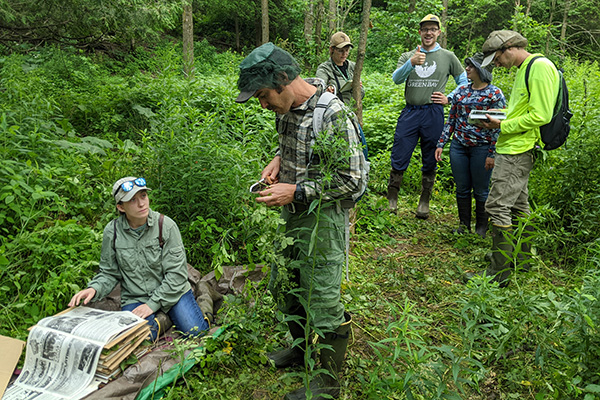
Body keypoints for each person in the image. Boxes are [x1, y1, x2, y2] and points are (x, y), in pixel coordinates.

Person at [235, 43, 367, 400]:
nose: (262, 104)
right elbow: (293, 145)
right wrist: (277, 161)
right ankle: (299, 350)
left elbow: (352, 180)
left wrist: (295, 192)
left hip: (322, 219)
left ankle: (328, 381)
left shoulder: (334, 114)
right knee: (288, 284)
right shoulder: (287, 108)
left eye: (263, 95)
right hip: (292, 214)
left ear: (282, 80)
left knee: (321, 296)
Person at [68, 177, 209, 340]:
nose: (142, 204)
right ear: (121, 207)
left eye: (143, 196)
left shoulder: (166, 226)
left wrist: (151, 305)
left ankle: (203, 300)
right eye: (132, 200)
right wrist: (93, 289)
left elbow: (176, 275)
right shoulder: (112, 232)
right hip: (136, 296)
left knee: (196, 332)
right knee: (139, 339)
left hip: (173, 292)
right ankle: (165, 319)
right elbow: (109, 273)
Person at [472, 30, 560, 285]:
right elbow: (524, 110)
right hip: (513, 146)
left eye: (497, 59)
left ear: (508, 47)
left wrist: (501, 125)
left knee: (497, 206)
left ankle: (498, 275)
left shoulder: (540, 67)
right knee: (520, 209)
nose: (496, 65)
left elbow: (541, 115)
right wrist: (500, 116)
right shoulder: (525, 68)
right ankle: (520, 263)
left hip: (518, 151)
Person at [387, 14, 468, 218]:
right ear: (420, 32)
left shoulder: (448, 57)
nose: (429, 33)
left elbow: (464, 82)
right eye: (425, 29)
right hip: (410, 111)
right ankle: (391, 199)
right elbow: (396, 79)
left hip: (433, 112)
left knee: (431, 153)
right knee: (400, 150)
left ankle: (424, 201)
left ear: (439, 32)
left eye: (433, 29)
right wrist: (412, 63)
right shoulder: (408, 56)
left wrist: (449, 97)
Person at [435, 53, 506, 237]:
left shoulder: (494, 94)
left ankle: (481, 228)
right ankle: (463, 225)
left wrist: (492, 153)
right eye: (467, 65)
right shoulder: (461, 91)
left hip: (482, 148)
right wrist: (441, 143)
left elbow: (500, 126)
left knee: (481, 189)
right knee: (462, 188)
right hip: (459, 146)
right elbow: (451, 120)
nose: (466, 69)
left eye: (471, 66)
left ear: (481, 70)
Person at [316, 31, 365, 105]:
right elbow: (319, 91)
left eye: (347, 50)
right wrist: (327, 91)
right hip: (334, 110)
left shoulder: (352, 66)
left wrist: (358, 88)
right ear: (332, 49)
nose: (344, 54)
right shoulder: (324, 69)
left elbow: (362, 95)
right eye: (340, 51)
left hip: (352, 111)